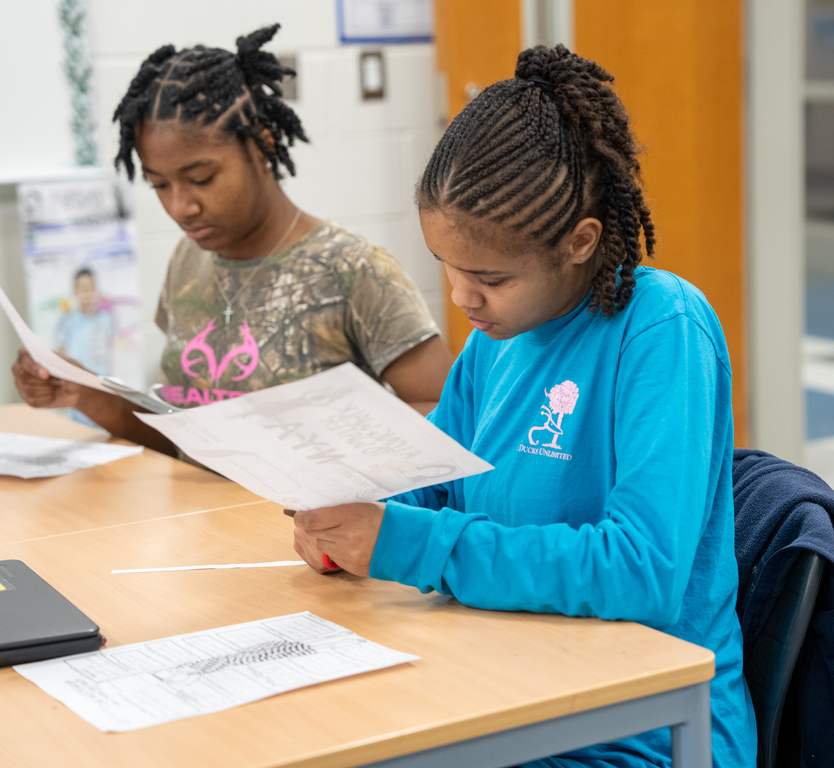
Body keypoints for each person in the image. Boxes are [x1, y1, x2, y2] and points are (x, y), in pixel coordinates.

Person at [291, 45, 757, 767]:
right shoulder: (494, 342)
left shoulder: (661, 327)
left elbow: (643, 572)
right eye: (446, 267)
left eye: (488, 277)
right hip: (502, 683)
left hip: (639, 732)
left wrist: (404, 543)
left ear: (579, 242)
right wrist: (346, 517)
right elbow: (433, 480)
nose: (461, 298)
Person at [12, 25, 452, 457]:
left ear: (260, 146)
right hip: (204, 520)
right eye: (160, 185)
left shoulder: (353, 269)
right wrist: (86, 391)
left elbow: (445, 412)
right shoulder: (189, 259)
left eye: (200, 178)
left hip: (303, 525)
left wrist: (322, 450)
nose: (181, 207)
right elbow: (183, 433)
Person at [54, 267, 115, 377]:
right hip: (75, 378)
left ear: (96, 289)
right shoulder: (68, 320)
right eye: (82, 288)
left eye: (90, 288)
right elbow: (60, 350)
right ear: (75, 291)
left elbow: (110, 350)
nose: (87, 293)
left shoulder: (105, 320)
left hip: (101, 378)